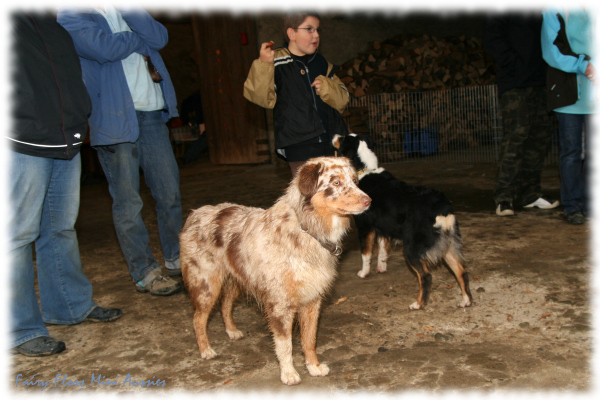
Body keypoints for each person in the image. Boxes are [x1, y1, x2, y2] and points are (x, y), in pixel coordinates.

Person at [8, 12, 123, 357]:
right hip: (21, 139)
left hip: (65, 140)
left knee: (59, 228)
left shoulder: (54, 25)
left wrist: (79, 114)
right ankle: (19, 327)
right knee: (16, 235)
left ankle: (69, 306)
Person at [57, 6, 183, 293]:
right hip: (114, 118)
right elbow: (103, 48)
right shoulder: (71, 14)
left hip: (151, 113)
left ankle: (177, 259)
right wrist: (138, 41)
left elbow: (159, 37)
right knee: (128, 202)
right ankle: (145, 271)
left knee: (170, 194)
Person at [243, 12, 350, 176]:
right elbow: (261, 97)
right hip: (299, 144)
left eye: (317, 29)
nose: (316, 35)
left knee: (334, 195)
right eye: (309, 29)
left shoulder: (322, 63)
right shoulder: (275, 62)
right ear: (291, 33)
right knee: (307, 196)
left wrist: (327, 88)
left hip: (331, 143)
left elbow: (343, 100)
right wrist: (264, 64)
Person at [483, 12, 560, 217]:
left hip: (542, 80)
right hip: (515, 82)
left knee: (540, 137)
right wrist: (514, 64)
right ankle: (504, 197)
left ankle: (530, 194)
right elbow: (492, 39)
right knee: (516, 136)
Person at [541, 7, 596, 225]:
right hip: (569, 95)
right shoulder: (553, 10)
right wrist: (585, 66)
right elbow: (551, 52)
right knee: (572, 153)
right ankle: (573, 206)